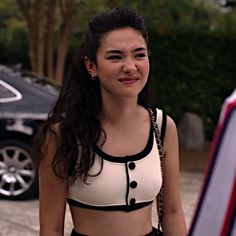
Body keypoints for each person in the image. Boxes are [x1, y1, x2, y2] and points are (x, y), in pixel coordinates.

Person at [35, 7, 187, 236]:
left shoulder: (163, 126)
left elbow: (172, 212)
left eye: (139, 54)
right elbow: (51, 228)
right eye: (115, 56)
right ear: (91, 66)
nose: (130, 66)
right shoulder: (63, 133)